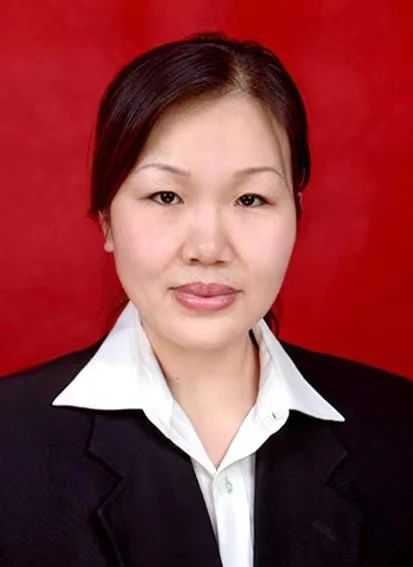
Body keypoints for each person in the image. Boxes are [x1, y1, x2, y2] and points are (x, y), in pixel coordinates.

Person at [0, 31, 412, 567]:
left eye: (251, 198)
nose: (209, 248)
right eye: (166, 196)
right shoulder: (10, 441)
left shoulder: (398, 430)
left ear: (296, 212)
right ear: (106, 219)